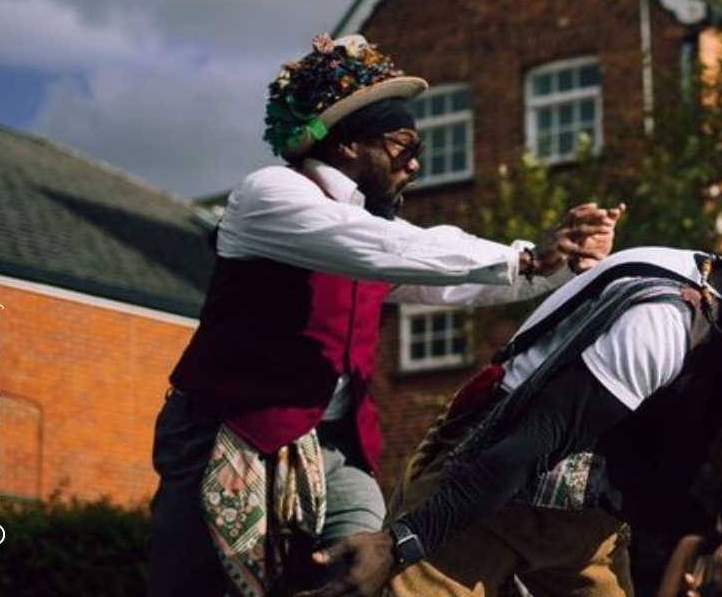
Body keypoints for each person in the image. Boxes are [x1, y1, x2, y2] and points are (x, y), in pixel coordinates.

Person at [149, 34, 617, 596]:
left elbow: (440, 280)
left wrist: (558, 266)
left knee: (365, 573)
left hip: (335, 443)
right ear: (348, 147)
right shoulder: (269, 194)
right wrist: (522, 256)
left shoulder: (373, 227)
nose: (416, 163)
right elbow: (384, 246)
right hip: (228, 429)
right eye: (403, 144)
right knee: (195, 586)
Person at [300, 214, 722, 597]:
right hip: (481, 496)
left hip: (587, 532)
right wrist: (402, 541)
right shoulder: (666, 318)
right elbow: (527, 448)